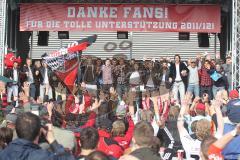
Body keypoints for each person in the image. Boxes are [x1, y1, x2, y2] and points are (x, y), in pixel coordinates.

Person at [0, 112, 75, 160]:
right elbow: (68, 158)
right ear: (39, 132)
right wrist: (52, 140)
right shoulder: (41, 156)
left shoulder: (3, 153)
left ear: (16, 130)